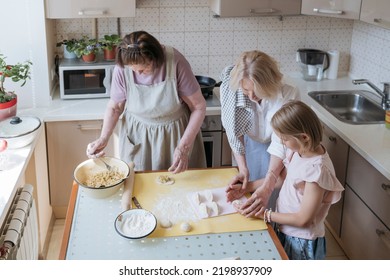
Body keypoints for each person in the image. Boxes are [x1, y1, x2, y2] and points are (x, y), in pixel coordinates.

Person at [234, 100, 344, 259]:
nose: (282, 143)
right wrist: (248, 187)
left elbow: (303, 220)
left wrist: (265, 215)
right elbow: (283, 180)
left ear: (304, 137)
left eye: (284, 139)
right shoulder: (298, 152)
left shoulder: (316, 171)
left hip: (302, 241)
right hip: (286, 230)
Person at [86, 31, 206, 173]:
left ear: (156, 57)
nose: (138, 73)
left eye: (144, 68)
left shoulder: (175, 61)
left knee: (181, 184)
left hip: (175, 137)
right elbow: (115, 107)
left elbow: (198, 107)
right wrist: (103, 137)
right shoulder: (123, 67)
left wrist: (183, 147)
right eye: (133, 69)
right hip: (137, 138)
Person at [221, 50, 300, 217]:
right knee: (248, 194)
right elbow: (234, 130)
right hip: (249, 146)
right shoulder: (234, 89)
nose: (251, 96)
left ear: (269, 83)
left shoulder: (288, 94)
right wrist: (243, 168)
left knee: (272, 196)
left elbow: (280, 142)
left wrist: (268, 184)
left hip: (282, 146)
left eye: (257, 91)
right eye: (247, 90)